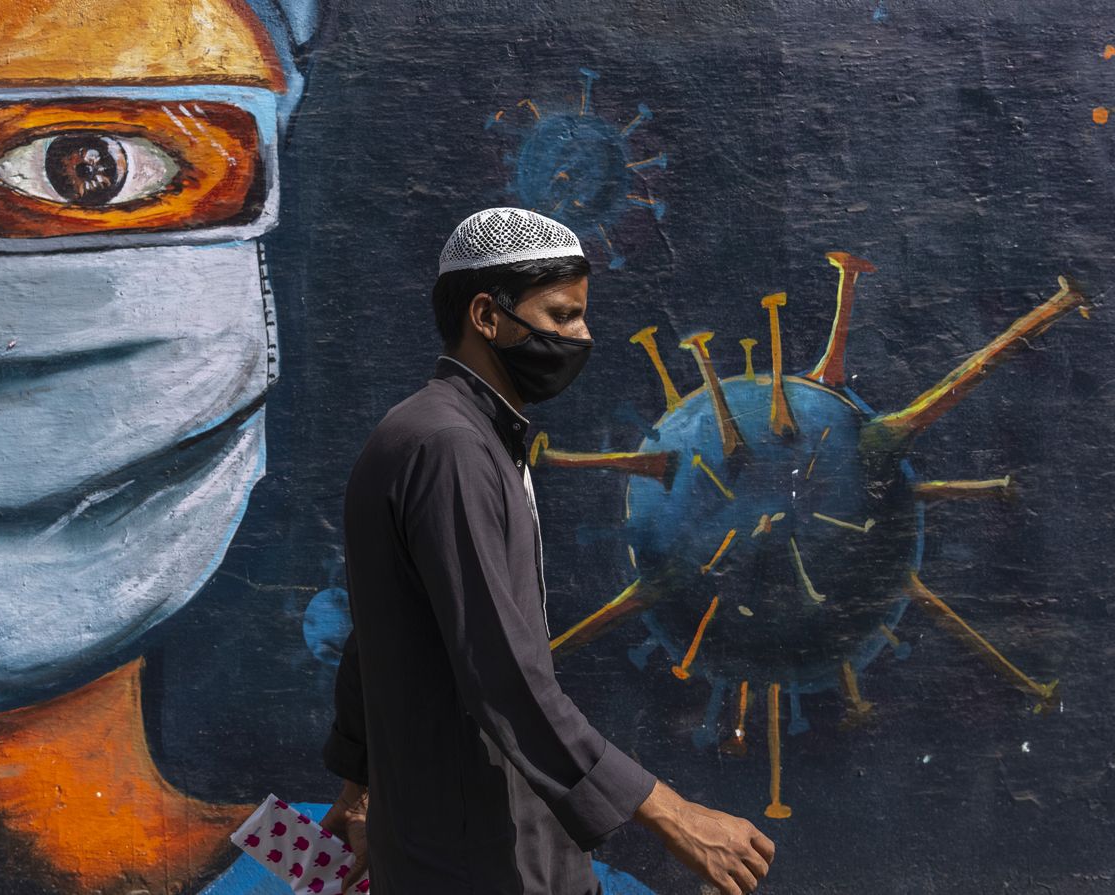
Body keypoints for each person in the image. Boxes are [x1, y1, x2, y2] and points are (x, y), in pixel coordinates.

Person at [319, 208, 777, 894]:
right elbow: (501, 669)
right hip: (488, 860)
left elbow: (382, 627)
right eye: (561, 316)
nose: (582, 336)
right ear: (487, 314)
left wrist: (358, 782)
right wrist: (674, 814)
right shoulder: (453, 449)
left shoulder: (433, 432)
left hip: (480, 847)